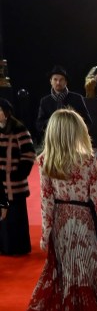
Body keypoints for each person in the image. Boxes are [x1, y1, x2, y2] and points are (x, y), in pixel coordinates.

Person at [22, 109, 97, 311]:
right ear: (78, 131)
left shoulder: (45, 160)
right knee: (85, 275)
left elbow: (46, 202)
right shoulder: (87, 159)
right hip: (85, 224)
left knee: (67, 278)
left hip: (61, 226)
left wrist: (46, 233)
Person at [0, 97, 36, 255]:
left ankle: (19, 248)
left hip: (14, 182)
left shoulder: (19, 128)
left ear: (6, 112)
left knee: (16, 217)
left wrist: (19, 173)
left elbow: (29, 154)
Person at [35, 66, 92, 140]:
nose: (58, 82)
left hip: (74, 140)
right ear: (50, 81)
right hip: (53, 141)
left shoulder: (77, 98)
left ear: (66, 82)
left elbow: (87, 122)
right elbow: (39, 125)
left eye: (61, 80)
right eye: (55, 79)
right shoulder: (45, 101)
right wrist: (56, 123)